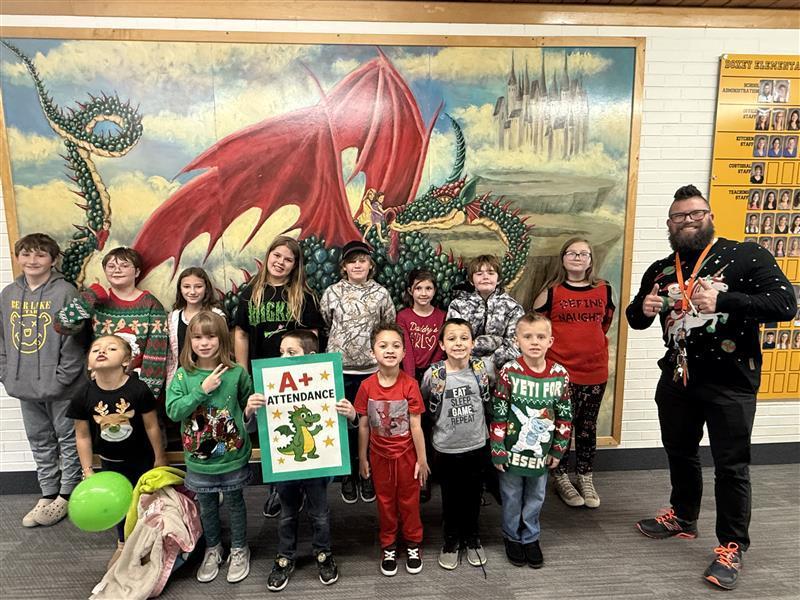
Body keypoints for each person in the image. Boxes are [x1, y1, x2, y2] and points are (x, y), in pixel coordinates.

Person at [625, 184, 794, 590]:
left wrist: (726, 300)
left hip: (730, 381)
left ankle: (732, 545)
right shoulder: (663, 268)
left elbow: (786, 304)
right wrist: (643, 308)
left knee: (731, 466)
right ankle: (683, 516)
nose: (687, 221)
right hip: (677, 378)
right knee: (680, 452)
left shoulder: (746, 255)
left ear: (710, 215)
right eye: (679, 216)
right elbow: (634, 318)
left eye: (694, 214)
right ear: (669, 224)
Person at [247, 329, 356, 591]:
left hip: (317, 466)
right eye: (281, 352)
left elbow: (347, 427)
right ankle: (285, 556)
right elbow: (252, 428)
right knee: (286, 514)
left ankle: (323, 552)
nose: (284, 357)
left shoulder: (326, 382)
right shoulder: (268, 384)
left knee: (320, 514)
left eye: (291, 352)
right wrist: (250, 410)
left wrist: (351, 415)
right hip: (285, 468)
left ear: (311, 356)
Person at [233, 235, 325, 518]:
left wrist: (307, 371)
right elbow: (240, 333)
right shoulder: (252, 293)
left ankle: (303, 487)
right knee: (271, 433)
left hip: (295, 379)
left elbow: (313, 336)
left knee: (299, 429)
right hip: (262, 376)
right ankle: (277, 488)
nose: (281, 262)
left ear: (295, 265)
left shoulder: (304, 295)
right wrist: (243, 372)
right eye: (277, 256)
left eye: (288, 259)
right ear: (268, 255)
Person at [0, 233, 87, 528]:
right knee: (39, 440)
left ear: (53, 259)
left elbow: (75, 343)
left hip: (63, 386)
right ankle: (47, 492)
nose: (32, 261)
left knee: (68, 438)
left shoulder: (65, 293)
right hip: (23, 384)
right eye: (26, 254)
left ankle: (67, 493)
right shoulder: (9, 294)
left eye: (39, 255)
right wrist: (6, 373)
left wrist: (61, 378)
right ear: (18, 257)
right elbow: (2, 338)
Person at [166, 311, 254, 584]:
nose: (204, 343)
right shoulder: (183, 376)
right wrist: (201, 390)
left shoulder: (236, 372)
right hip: (199, 459)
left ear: (222, 339)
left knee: (236, 502)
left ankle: (240, 548)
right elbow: (173, 411)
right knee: (206, 505)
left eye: (211, 336)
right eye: (197, 337)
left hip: (232, 455)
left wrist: (250, 410)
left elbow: (246, 407)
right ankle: (213, 548)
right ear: (189, 341)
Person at [68, 334, 166, 567]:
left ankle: (149, 542)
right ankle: (123, 544)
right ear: (90, 363)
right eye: (96, 350)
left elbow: (152, 426)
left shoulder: (138, 389)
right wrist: (87, 470)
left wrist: (160, 458)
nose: (102, 351)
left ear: (126, 360)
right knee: (120, 505)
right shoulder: (83, 395)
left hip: (142, 459)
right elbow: (82, 436)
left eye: (111, 348)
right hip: (110, 463)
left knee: (145, 501)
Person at [532, 237, 614, 509]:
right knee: (561, 427)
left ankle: (585, 475)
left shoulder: (604, 289)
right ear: (563, 258)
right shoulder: (551, 293)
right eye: (572, 253)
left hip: (595, 371)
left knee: (588, 427)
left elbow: (605, 322)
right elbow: (536, 331)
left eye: (584, 254)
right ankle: (560, 476)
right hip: (561, 373)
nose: (578, 258)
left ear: (591, 260)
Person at [490, 313, 572, 569]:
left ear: (550, 341)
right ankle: (512, 537)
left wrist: (558, 450)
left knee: (536, 496)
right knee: (512, 495)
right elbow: (499, 412)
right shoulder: (509, 372)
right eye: (527, 336)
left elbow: (565, 415)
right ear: (517, 341)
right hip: (511, 452)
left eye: (540, 336)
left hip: (541, 453)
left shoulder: (560, 375)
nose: (534, 342)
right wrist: (497, 449)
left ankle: (531, 537)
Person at [321, 239, 395, 505]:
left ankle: (368, 471)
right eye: (352, 261)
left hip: (371, 371)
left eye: (362, 260)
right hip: (340, 371)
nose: (357, 264)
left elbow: (388, 328)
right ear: (344, 266)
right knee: (345, 427)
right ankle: (349, 474)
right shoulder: (331, 293)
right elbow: (327, 326)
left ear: (370, 264)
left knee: (372, 424)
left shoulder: (381, 294)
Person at [419, 318, 494, 570]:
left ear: (473, 343)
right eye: (451, 338)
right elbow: (425, 402)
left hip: (476, 444)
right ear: (442, 344)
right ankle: (451, 539)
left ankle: (472, 537)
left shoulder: (482, 370)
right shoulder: (434, 374)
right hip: (445, 447)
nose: (458, 343)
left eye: (464, 338)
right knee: (450, 496)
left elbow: (489, 401)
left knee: (473, 494)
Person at [355, 323, 428, 577]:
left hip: (407, 456)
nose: (390, 350)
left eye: (396, 345)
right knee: (385, 503)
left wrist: (422, 459)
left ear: (404, 352)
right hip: (379, 456)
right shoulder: (366, 386)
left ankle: (413, 543)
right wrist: (362, 457)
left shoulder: (410, 385)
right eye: (383, 345)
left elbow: (417, 426)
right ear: (373, 351)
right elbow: (363, 425)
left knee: (409, 502)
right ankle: (388, 544)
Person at [56, 247, 168, 402]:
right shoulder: (94, 300)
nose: (117, 270)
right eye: (111, 266)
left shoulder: (151, 305)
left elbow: (157, 355)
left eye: (124, 266)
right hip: (99, 385)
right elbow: (61, 325)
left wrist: (147, 396)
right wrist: (88, 298)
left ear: (136, 272)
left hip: (136, 387)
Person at [396, 268, 445, 503]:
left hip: (434, 375)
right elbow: (405, 350)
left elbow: (439, 349)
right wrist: (412, 379)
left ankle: (436, 474)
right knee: (417, 427)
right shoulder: (403, 316)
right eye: (418, 288)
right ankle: (420, 478)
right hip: (410, 376)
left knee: (435, 425)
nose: (423, 293)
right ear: (410, 291)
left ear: (435, 290)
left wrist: (430, 375)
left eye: (428, 288)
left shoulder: (441, 316)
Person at [446, 254, 524, 371]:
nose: (485, 277)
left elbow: (516, 345)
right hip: (465, 368)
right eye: (479, 274)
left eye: (491, 273)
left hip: (501, 370)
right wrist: (497, 341)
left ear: (499, 279)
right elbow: (454, 341)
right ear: (472, 281)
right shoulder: (458, 305)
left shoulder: (513, 308)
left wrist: (488, 364)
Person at [166, 267, 226, 385]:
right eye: (186, 286)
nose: (192, 292)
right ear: (180, 289)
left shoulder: (217, 316)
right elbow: (171, 357)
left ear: (206, 288)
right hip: (181, 380)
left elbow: (224, 348)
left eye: (198, 286)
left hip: (211, 377)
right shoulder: (173, 318)